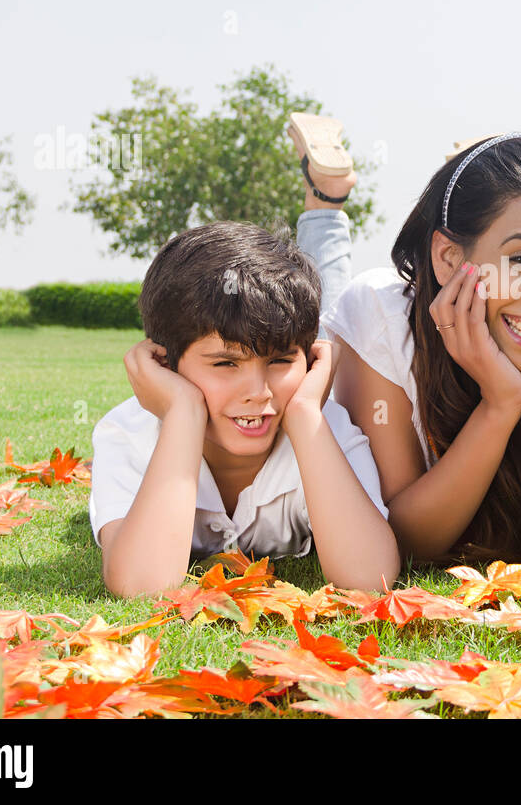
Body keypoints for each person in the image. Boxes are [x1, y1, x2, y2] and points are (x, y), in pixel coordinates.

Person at [298, 132, 521, 567]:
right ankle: (326, 201)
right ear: (449, 258)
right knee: (313, 317)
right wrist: (501, 404)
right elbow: (410, 541)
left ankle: (468, 172)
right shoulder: (382, 321)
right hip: (373, 322)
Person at [89, 220, 399, 598]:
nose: (258, 392)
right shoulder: (128, 434)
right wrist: (183, 413)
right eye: (225, 364)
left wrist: (304, 417)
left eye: (281, 360)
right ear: (165, 365)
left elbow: (370, 579)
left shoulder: (324, 429)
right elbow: (140, 586)